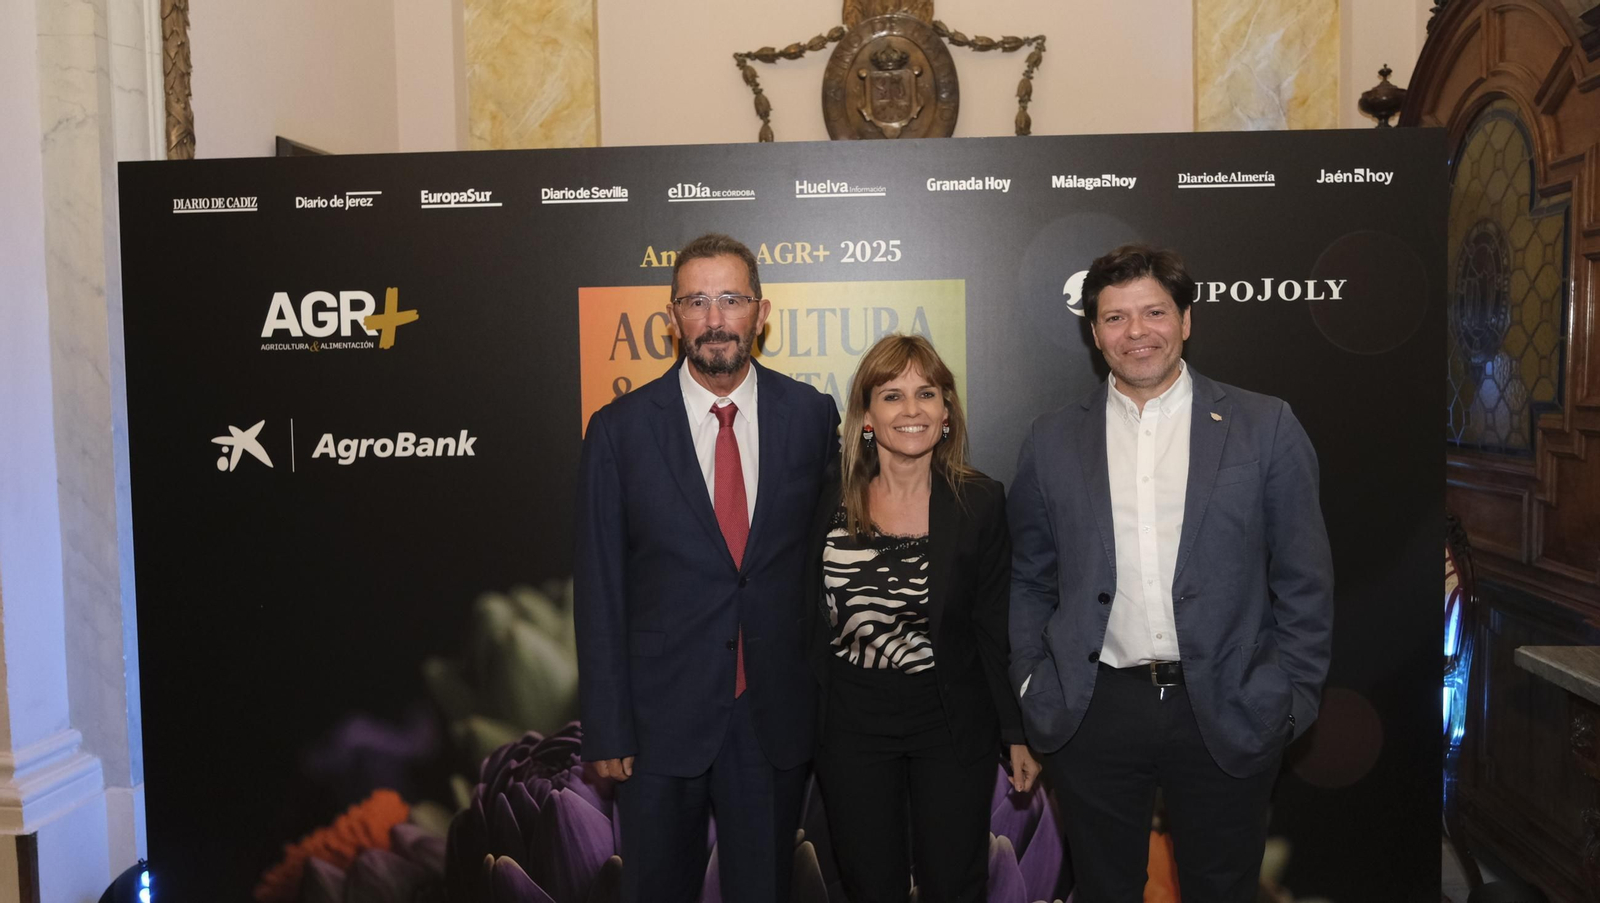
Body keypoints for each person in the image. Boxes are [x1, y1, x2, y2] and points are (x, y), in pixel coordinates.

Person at [1008, 244, 1335, 903]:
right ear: (1094, 332)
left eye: (1154, 312)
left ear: (1185, 319)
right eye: (1115, 317)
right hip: (1094, 707)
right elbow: (1031, 578)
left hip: (1227, 703)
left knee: (1223, 890)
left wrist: (1290, 697)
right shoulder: (1051, 439)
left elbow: (1305, 577)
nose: (1137, 332)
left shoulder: (1264, 425)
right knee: (1104, 890)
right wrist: (1033, 683)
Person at [574, 233, 840, 903]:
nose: (715, 319)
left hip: (773, 715)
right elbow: (600, 588)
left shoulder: (811, 416)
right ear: (672, 318)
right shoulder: (618, 430)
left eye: (731, 299)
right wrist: (606, 725)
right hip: (657, 722)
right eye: (696, 301)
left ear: (761, 312)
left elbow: (828, 566)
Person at [804, 334, 1041, 903]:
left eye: (927, 393)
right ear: (866, 417)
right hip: (850, 719)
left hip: (950, 718)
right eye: (892, 396)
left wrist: (1016, 732)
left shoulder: (980, 501)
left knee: (956, 883)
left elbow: (993, 627)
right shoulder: (825, 499)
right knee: (869, 883)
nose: (912, 409)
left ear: (947, 411)